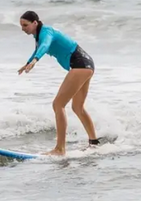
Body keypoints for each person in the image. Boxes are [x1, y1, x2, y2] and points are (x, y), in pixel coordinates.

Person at [17, 10, 99, 156]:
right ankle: (94, 143)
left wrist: (35, 61)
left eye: (25, 25)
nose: (23, 28)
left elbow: (45, 46)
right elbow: (38, 48)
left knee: (58, 104)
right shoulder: (39, 34)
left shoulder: (46, 32)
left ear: (35, 23)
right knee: (77, 107)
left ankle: (60, 149)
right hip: (86, 64)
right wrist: (28, 62)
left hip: (80, 64)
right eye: (21, 25)